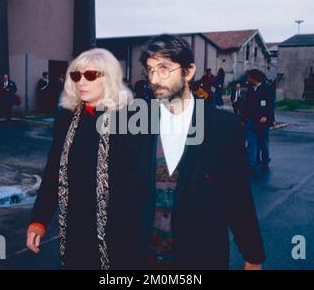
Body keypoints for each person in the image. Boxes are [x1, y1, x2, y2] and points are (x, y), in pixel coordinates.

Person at [138, 34, 265, 270]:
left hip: (198, 257)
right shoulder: (138, 125)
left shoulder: (223, 127)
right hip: (143, 258)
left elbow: (237, 194)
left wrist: (252, 254)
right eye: (150, 69)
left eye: (164, 68)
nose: (154, 78)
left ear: (188, 71)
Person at [26, 48, 148, 270]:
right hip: (75, 230)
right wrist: (39, 220)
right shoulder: (67, 118)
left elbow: (140, 184)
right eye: (76, 75)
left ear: (108, 78)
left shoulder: (130, 119)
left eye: (90, 75)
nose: (81, 81)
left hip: (118, 234)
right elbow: (54, 170)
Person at [243, 69, 275, 175]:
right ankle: (250, 166)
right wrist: (243, 118)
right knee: (252, 143)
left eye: (249, 77)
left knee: (263, 143)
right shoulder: (250, 89)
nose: (248, 79)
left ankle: (265, 162)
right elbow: (247, 105)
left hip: (262, 122)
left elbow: (271, 105)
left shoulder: (267, 89)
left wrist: (267, 117)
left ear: (254, 78)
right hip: (251, 121)